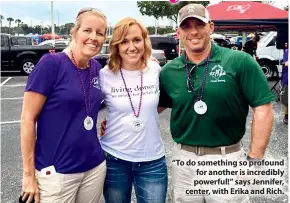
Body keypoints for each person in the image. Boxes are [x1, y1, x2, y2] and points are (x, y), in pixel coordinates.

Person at [158, 4, 275, 203]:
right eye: (186, 27)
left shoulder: (240, 61)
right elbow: (154, 107)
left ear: (211, 27)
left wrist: (255, 160)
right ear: (178, 33)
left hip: (226, 159)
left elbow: (263, 108)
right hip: (183, 160)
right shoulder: (169, 71)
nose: (193, 31)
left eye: (199, 24)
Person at [20, 8, 107, 203]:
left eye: (100, 33)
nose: (94, 37)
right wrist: (28, 175)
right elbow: (27, 120)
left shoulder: (96, 68)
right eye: (87, 30)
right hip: (56, 173)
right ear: (74, 32)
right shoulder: (51, 64)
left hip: (94, 167)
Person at [99, 17, 168, 203]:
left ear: (144, 41)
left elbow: (159, 104)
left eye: (136, 40)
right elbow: (87, 107)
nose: (131, 47)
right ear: (116, 46)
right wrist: (107, 122)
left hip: (152, 161)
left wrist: (142, 116)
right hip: (114, 158)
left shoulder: (155, 69)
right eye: (124, 41)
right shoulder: (104, 75)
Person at [281, 45, 288, 124]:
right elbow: (286, 63)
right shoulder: (287, 51)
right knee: (287, 100)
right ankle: (286, 116)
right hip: (288, 80)